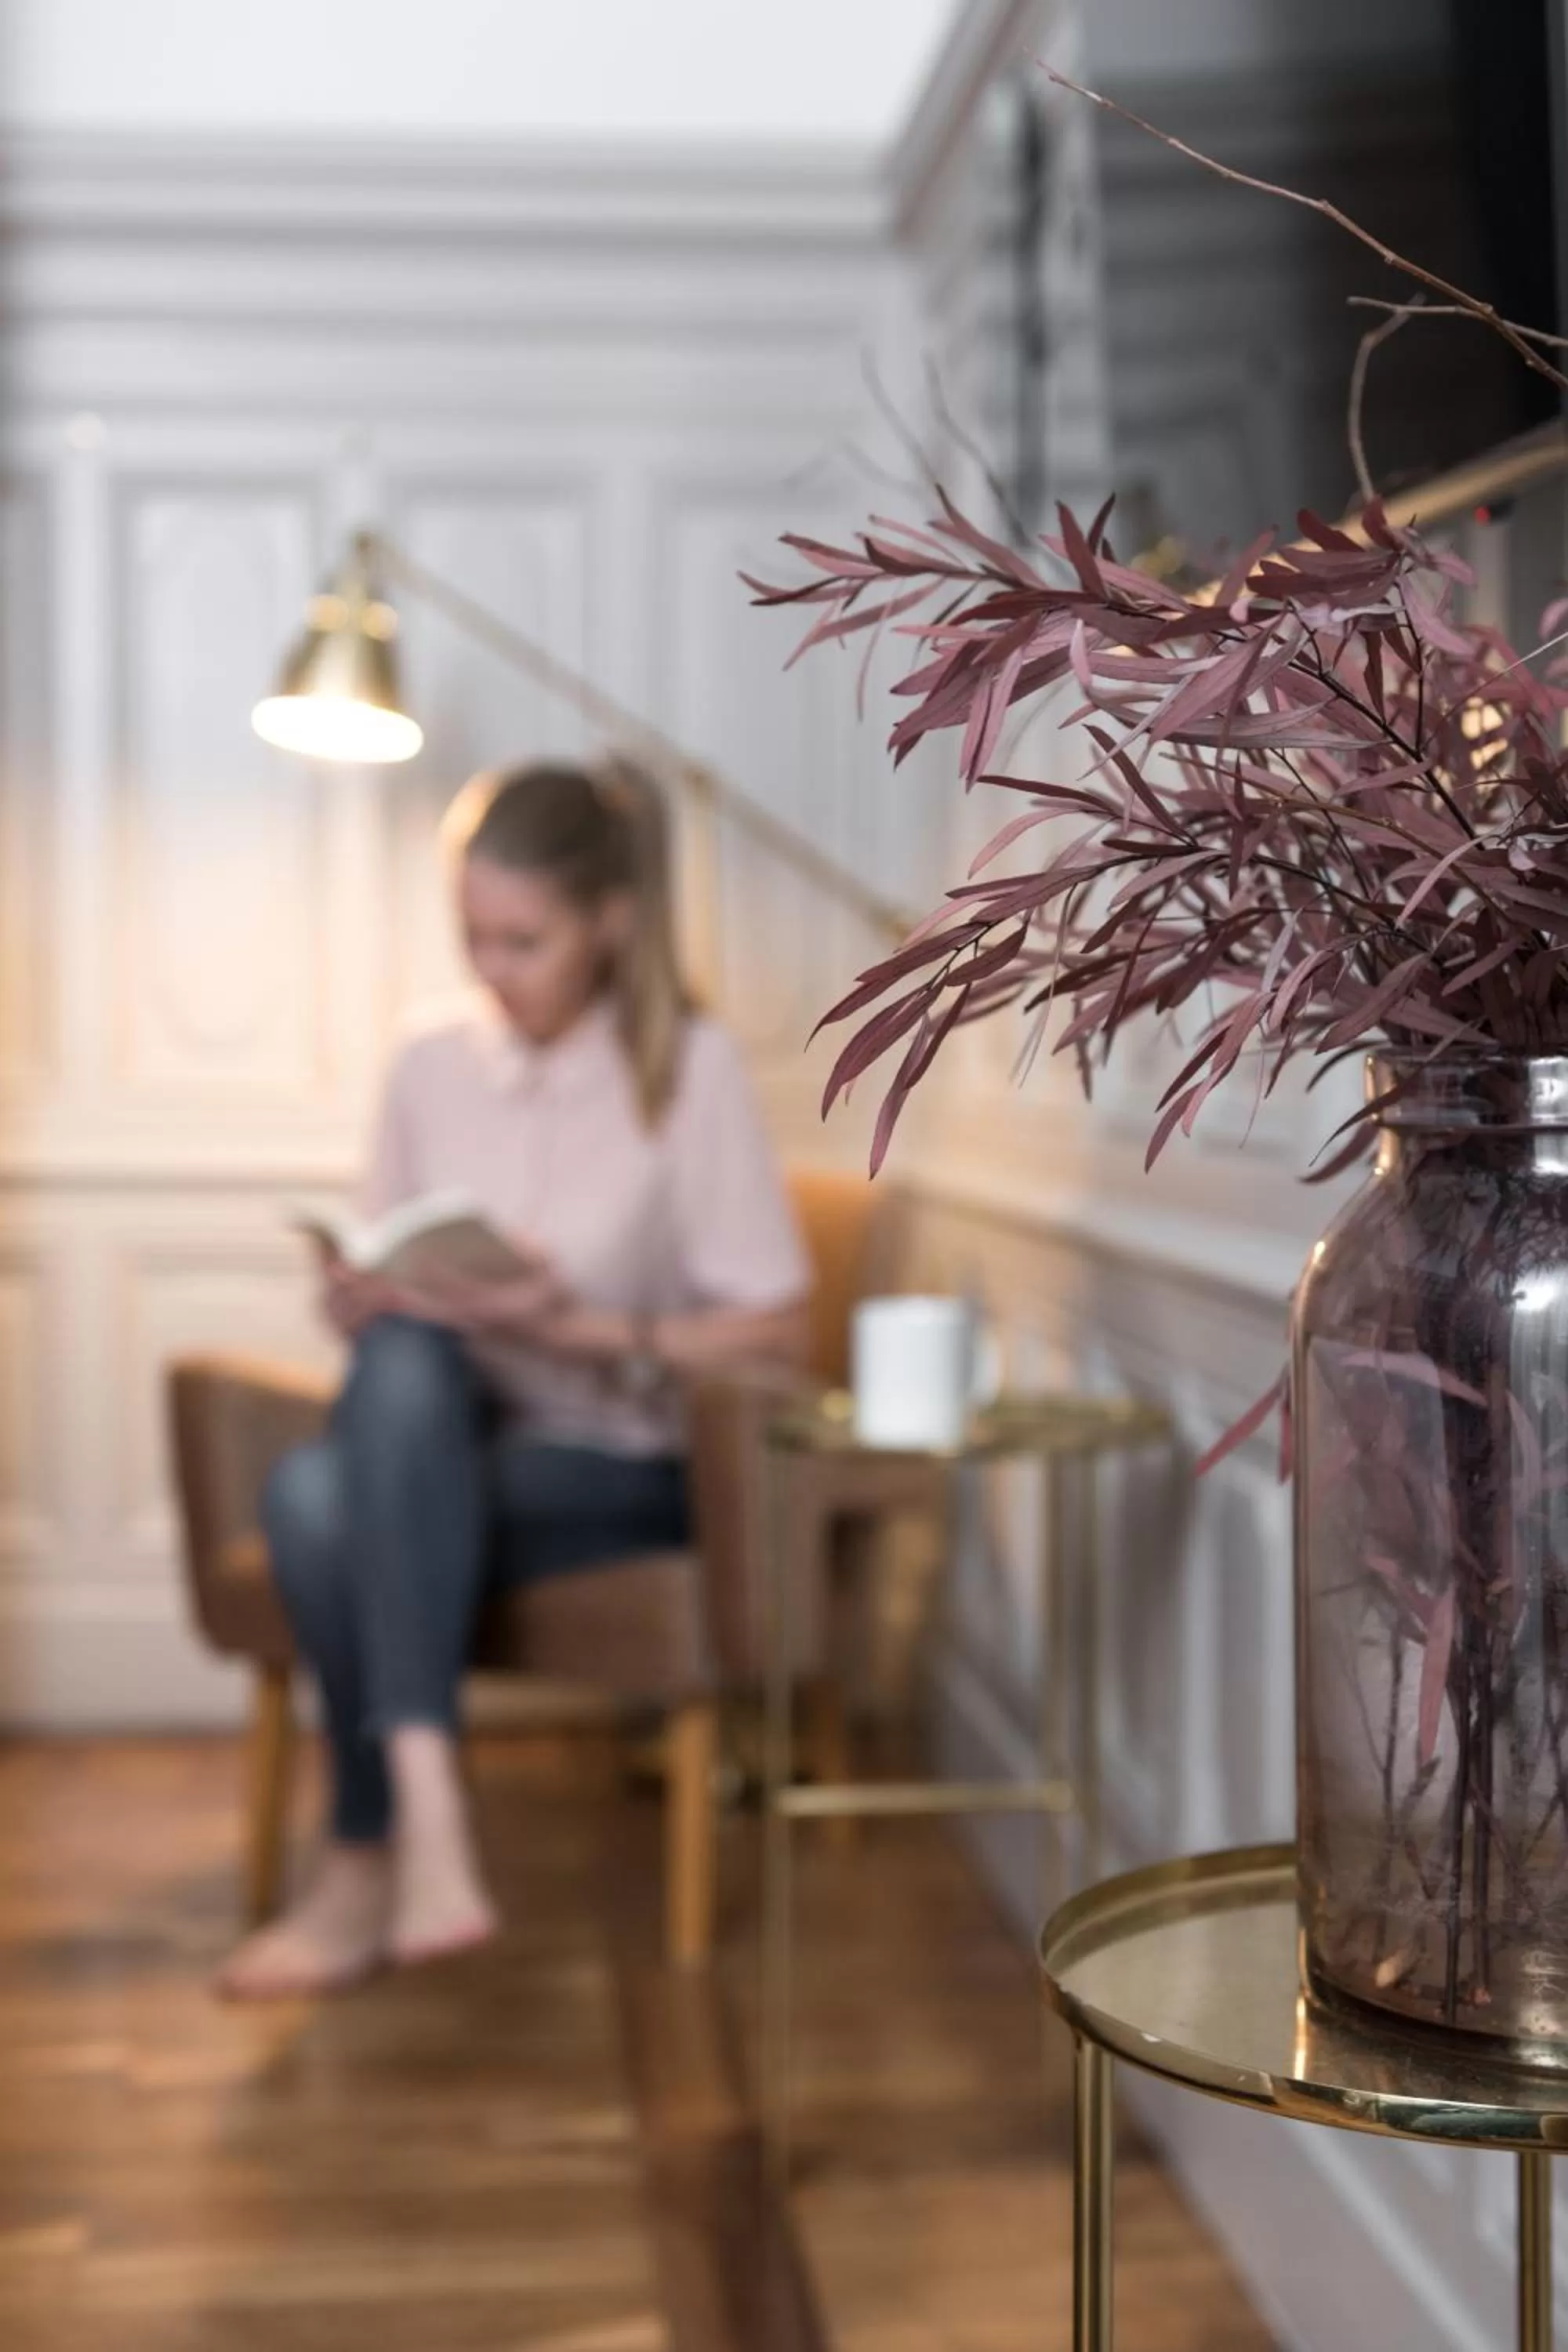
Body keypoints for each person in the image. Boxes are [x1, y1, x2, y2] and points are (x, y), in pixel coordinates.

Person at [220, 757, 810, 1999]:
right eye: (473, 938)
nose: (491, 969)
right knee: (393, 1359)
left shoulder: (688, 1072)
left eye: (524, 941)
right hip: (446, 1439)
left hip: (622, 1461)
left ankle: (365, 1855)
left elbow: (778, 1332)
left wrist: (575, 1326)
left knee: (315, 1506)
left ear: (610, 920)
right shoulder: (428, 1061)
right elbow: (389, 1263)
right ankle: (428, 1816)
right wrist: (359, 1292)